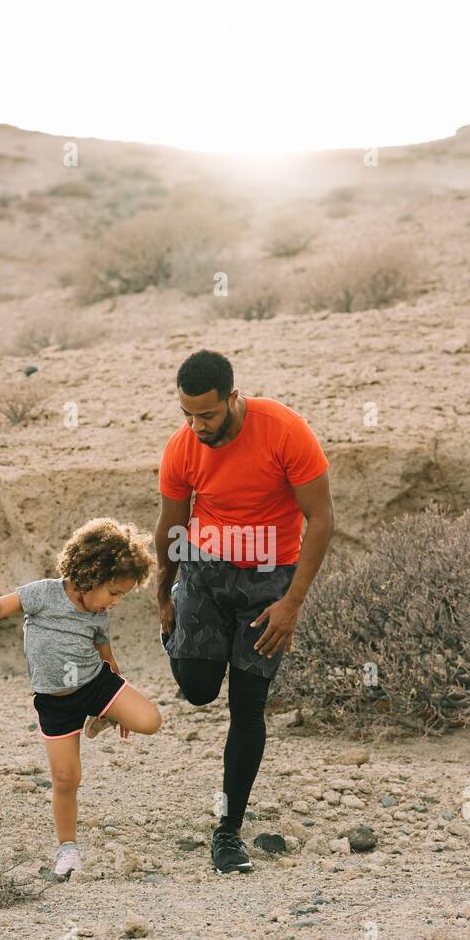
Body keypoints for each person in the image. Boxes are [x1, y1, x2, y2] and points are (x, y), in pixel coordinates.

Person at [156, 350, 333, 875]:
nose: (197, 426)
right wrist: (165, 595)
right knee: (198, 690)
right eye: (187, 414)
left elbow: (321, 520)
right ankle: (185, 646)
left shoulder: (284, 430)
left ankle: (228, 832)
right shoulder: (182, 447)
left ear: (233, 398)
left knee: (247, 705)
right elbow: (170, 526)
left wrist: (291, 604)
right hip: (204, 573)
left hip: (268, 580)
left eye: (206, 415)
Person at [0, 518, 162, 878]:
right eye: (113, 592)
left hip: (95, 683)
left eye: (122, 596)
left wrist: (116, 706)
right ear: (90, 573)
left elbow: (106, 653)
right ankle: (67, 850)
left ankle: (102, 716)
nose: (115, 602)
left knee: (150, 721)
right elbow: (2, 606)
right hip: (56, 701)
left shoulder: (99, 614)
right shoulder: (45, 594)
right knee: (67, 779)